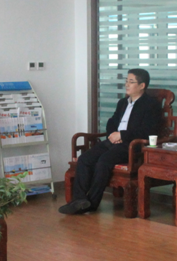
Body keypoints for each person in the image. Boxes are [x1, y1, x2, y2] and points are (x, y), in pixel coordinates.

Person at [60, 68, 162, 215]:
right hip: (113, 141)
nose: (127, 84)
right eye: (126, 81)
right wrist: (113, 134)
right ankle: (79, 200)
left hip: (131, 145)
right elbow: (112, 122)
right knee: (85, 159)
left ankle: (92, 203)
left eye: (131, 82)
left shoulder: (150, 105)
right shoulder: (123, 103)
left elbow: (148, 131)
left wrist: (122, 135)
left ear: (142, 85)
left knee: (103, 161)